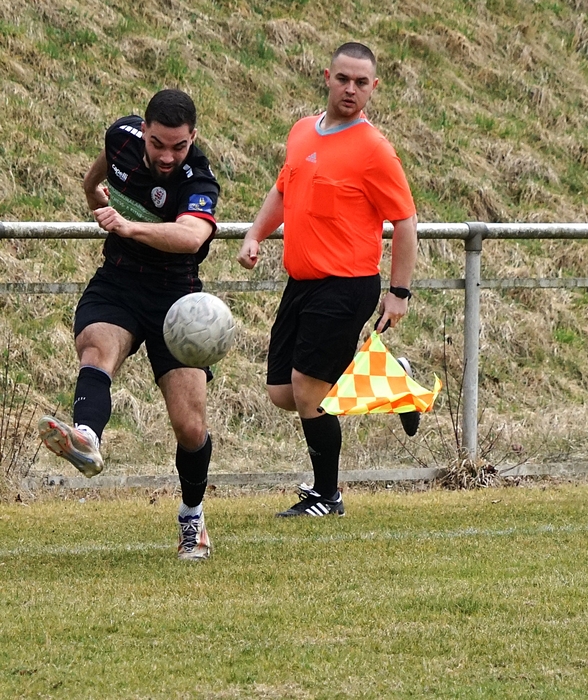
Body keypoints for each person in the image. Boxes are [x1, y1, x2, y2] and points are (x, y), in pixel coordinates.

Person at [38, 89, 221, 561]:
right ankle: (87, 437)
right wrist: (90, 191)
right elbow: (103, 166)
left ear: (193, 137)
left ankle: (192, 516)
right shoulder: (121, 134)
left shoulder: (199, 177)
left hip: (176, 299)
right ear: (144, 131)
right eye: (158, 144)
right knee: (95, 347)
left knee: (190, 426)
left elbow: (192, 236)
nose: (167, 156)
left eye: (178, 146)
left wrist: (127, 226)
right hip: (119, 281)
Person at [237, 41, 418, 517]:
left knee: (307, 388)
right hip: (301, 282)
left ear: (373, 87)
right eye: (343, 79)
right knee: (282, 392)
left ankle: (326, 495)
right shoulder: (302, 131)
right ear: (327, 78)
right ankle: (390, 379)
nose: (350, 89)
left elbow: (405, 221)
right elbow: (283, 190)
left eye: (361, 82)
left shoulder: (374, 149)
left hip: (347, 283)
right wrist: (255, 234)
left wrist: (398, 293)